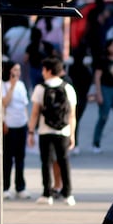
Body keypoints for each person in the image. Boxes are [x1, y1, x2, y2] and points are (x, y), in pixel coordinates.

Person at [28, 57, 78, 206]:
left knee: (46, 162)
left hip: (45, 130)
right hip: (63, 131)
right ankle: (68, 194)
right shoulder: (68, 88)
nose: (42, 72)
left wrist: (31, 131)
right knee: (64, 161)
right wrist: (72, 134)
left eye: (44, 69)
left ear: (49, 71)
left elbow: (35, 113)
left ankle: (46, 193)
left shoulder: (40, 88)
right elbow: (72, 115)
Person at [1, 62, 31, 199]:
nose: (17, 73)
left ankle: (20, 186)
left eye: (19, 70)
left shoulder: (22, 85)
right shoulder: (2, 85)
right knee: (8, 159)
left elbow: (25, 105)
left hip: (21, 124)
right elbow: (4, 103)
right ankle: (5, 187)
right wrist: (12, 86)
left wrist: (29, 123)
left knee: (20, 158)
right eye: (15, 70)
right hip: (9, 125)